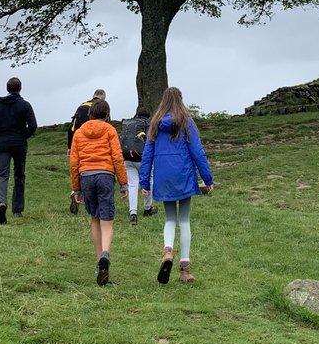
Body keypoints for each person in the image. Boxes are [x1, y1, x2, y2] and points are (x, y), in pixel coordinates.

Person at [139, 87, 214, 284]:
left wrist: (144, 182)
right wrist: (208, 179)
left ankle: (167, 250)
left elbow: (146, 155)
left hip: (163, 177)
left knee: (170, 219)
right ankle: (185, 269)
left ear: (163, 101)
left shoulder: (154, 124)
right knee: (185, 221)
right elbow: (197, 152)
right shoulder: (186, 122)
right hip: (183, 176)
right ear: (180, 100)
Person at [69, 97, 128, 285]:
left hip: (86, 176)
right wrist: (123, 183)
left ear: (91, 113)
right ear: (107, 114)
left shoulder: (79, 133)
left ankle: (98, 261)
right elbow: (117, 158)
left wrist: (76, 188)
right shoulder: (110, 131)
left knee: (94, 217)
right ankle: (105, 253)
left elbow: (74, 163)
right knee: (107, 220)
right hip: (105, 176)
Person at [0, 77, 38, 223]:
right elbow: (33, 125)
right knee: (19, 175)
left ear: (7, 89)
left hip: (2, 143)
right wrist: (23, 136)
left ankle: (1, 202)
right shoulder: (25, 105)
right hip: (19, 143)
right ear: (20, 88)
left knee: (2, 175)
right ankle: (17, 210)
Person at [120, 106, 156, 225]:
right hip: (144, 159)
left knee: (132, 185)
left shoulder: (127, 123)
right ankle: (147, 208)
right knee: (149, 180)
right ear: (148, 116)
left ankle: (133, 213)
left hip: (127, 158)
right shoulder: (148, 124)